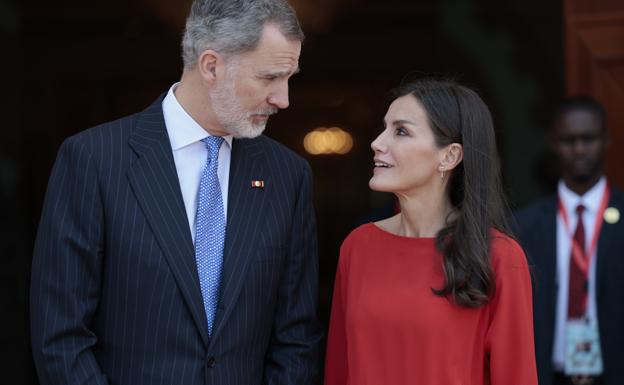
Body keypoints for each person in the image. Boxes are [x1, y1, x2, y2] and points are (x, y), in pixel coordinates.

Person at [30, 1, 322, 384]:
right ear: (211, 66)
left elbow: (296, 338)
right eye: (269, 78)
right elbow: (61, 335)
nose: (283, 99)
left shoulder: (288, 174)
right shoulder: (94, 159)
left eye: (289, 78)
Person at [324, 78, 538, 385]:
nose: (377, 142)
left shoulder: (499, 255)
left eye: (401, 131)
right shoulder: (357, 246)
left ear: (449, 156)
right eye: (384, 128)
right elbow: (338, 370)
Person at [515, 96, 624, 385]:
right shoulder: (524, 225)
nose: (578, 149)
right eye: (568, 140)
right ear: (554, 143)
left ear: (606, 140)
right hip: (548, 374)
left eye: (588, 139)